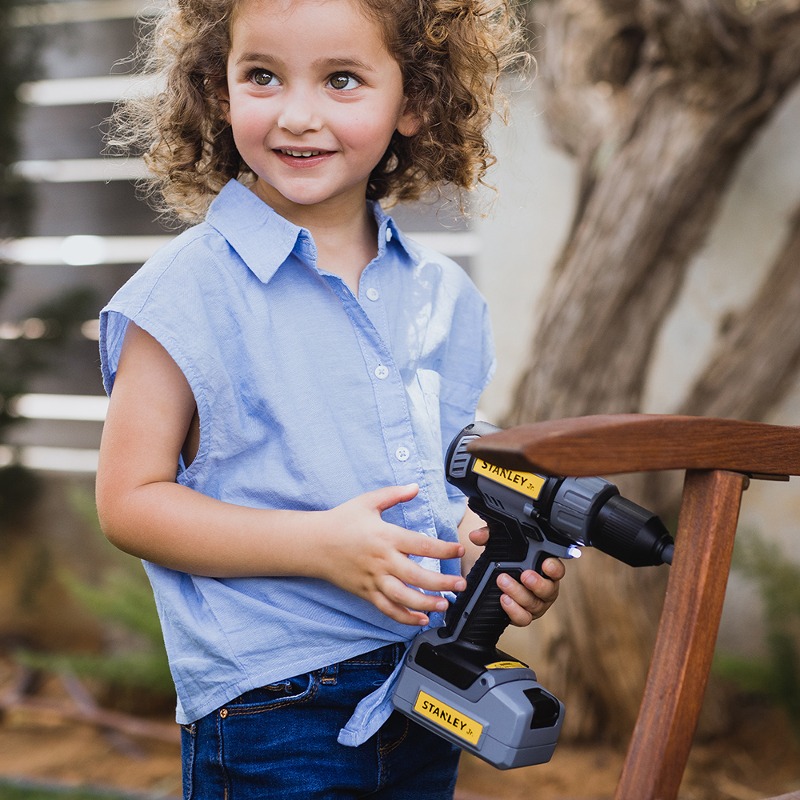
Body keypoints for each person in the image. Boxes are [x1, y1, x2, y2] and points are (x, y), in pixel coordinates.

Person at [96, 0, 565, 796]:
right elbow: (130, 503)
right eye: (262, 76)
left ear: (414, 101)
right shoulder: (188, 291)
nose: (297, 114)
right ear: (217, 89)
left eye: (342, 79)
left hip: (425, 686)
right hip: (271, 711)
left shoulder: (442, 297)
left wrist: (484, 549)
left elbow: (442, 489)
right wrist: (320, 545)